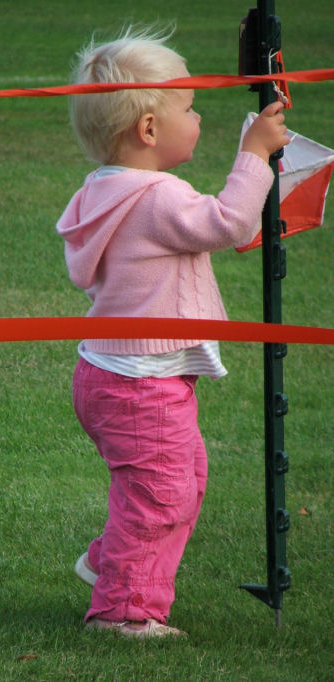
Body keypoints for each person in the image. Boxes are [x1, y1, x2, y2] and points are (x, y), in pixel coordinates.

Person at [55, 25, 289, 639]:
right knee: (162, 494)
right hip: (141, 384)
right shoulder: (157, 197)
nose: (199, 116)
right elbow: (232, 223)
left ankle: (109, 562)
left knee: (178, 484)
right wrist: (254, 153)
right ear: (149, 129)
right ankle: (124, 612)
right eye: (188, 107)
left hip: (113, 375)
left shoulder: (103, 189)